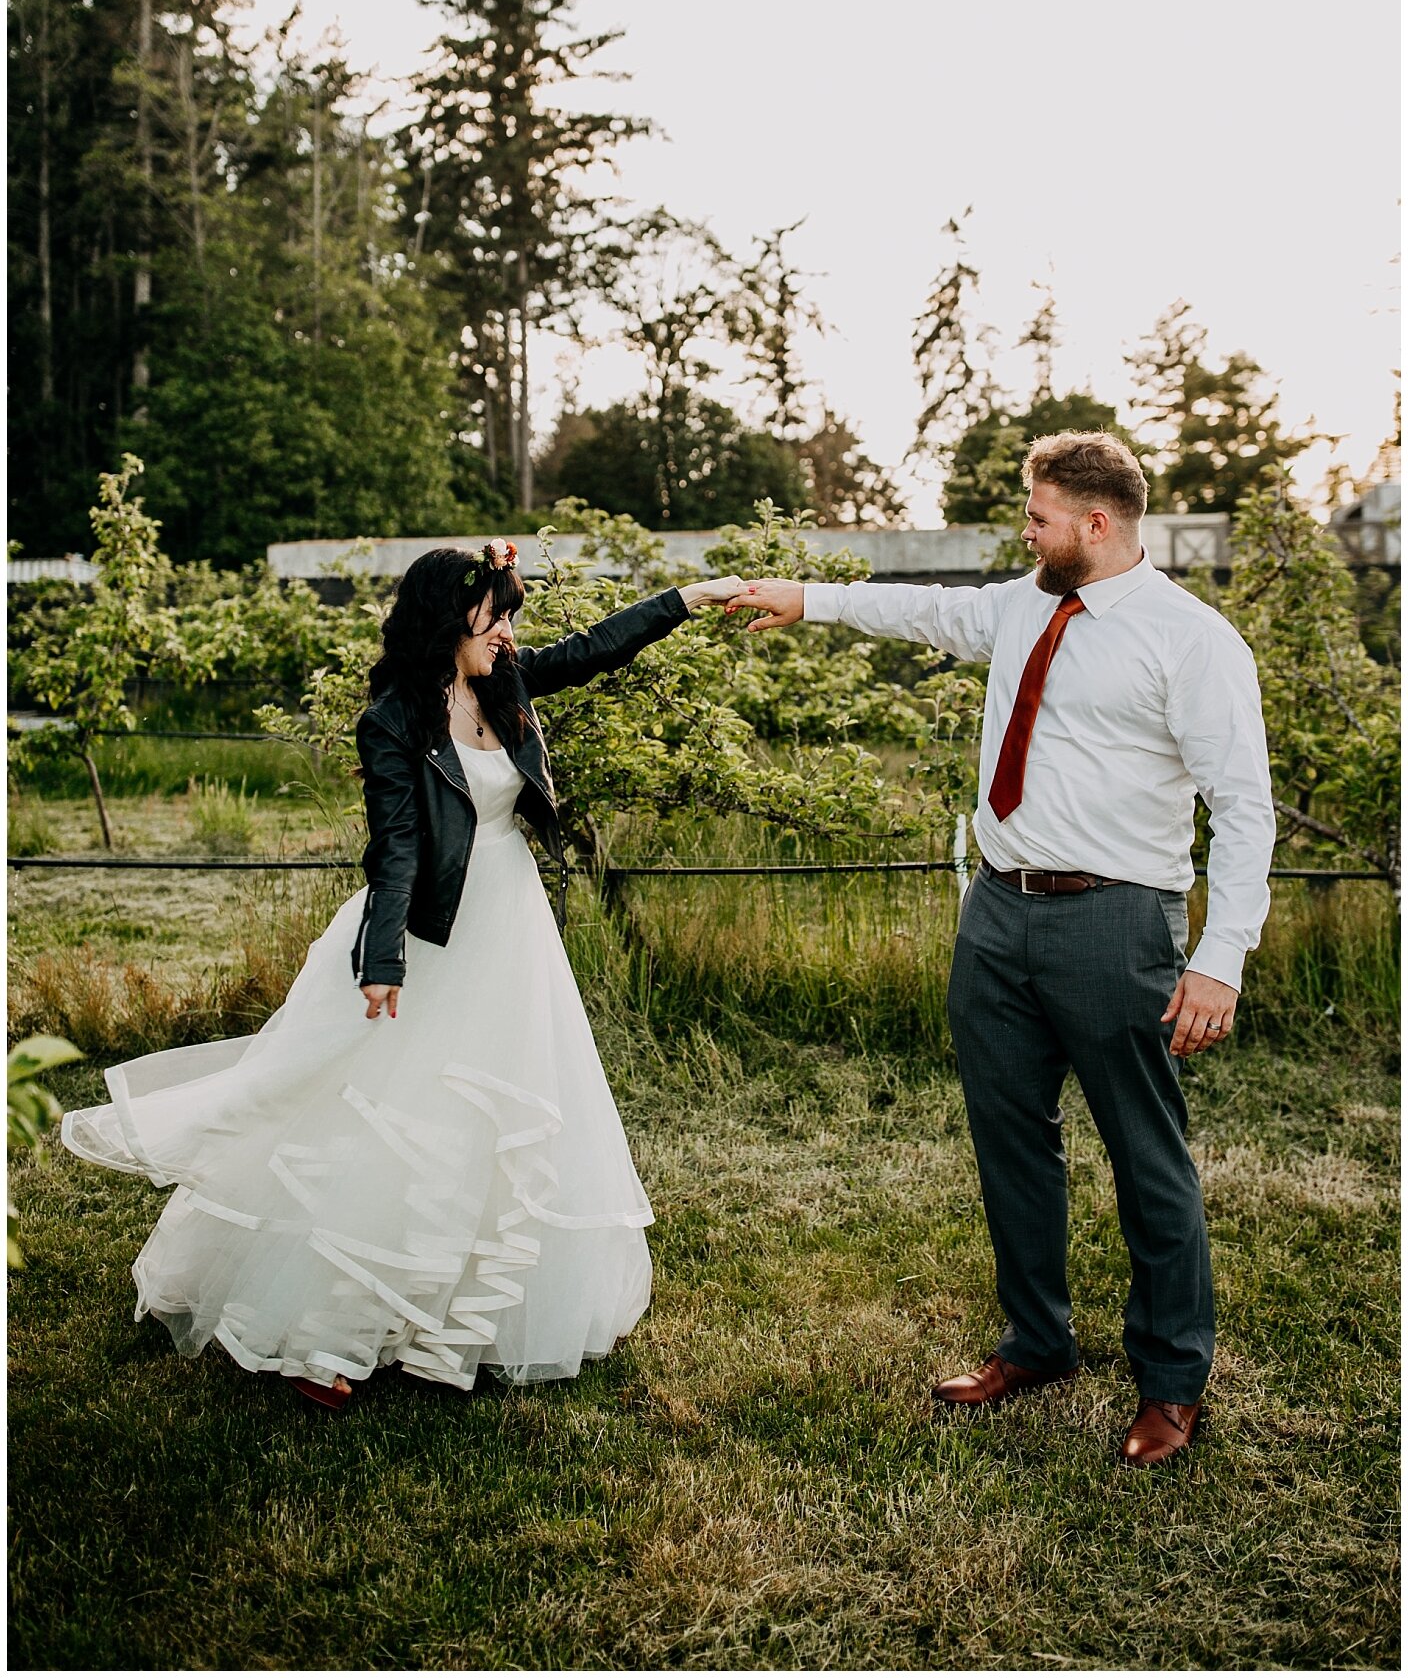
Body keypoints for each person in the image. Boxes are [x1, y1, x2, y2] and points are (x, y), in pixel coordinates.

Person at [62, 543, 744, 1410]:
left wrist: (690, 596)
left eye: (509, 616)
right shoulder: (394, 718)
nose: (507, 631)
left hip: (510, 932)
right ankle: (324, 1336)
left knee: (486, 1123)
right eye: (493, 616)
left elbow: (599, 646)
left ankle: (453, 1324)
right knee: (391, 1121)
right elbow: (394, 849)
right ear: (448, 621)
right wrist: (383, 962)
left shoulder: (509, 682)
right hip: (429, 930)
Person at [727, 432, 1275, 1467]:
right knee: (1009, 1139)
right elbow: (924, 606)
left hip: (1118, 923)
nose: (1023, 531)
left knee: (1143, 1155)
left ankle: (1169, 1380)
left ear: (1096, 522)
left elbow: (1243, 809)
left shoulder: (1191, 640)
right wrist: (806, 595)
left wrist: (1220, 956)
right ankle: (1037, 1342)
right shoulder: (1022, 603)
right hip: (996, 913)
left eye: (1037, 516)